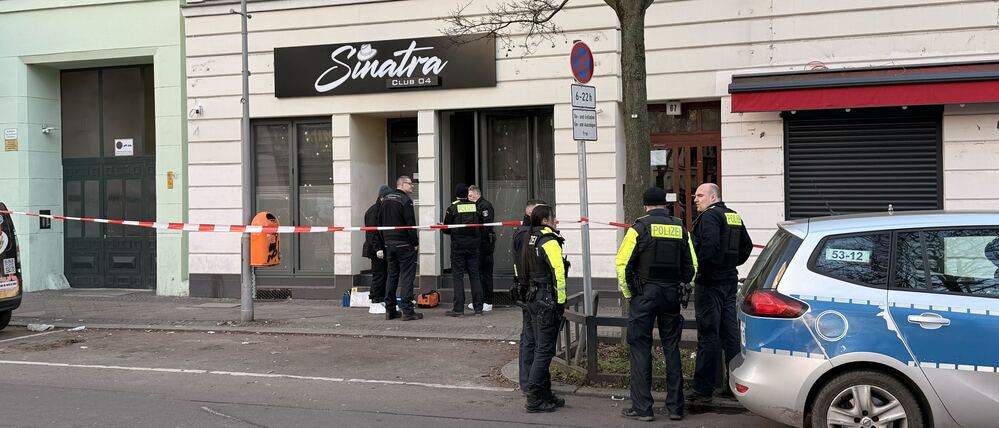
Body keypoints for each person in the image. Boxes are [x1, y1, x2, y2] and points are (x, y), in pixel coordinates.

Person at [616, 187, 698, 422]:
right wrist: (684, 286)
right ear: (666, 204)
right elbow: (692, 266)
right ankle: (675, 407)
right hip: (671, 295)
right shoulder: (680, 227)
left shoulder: (638, 227)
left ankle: (643, 408)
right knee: (671, 347)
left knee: (641, 347)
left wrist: (629, 293)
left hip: (644, 296)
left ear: (645, 206)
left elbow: (622, 265)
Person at [688, 183, 753, 402]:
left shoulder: (709, 217)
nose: (696, 199)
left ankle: (703, 390)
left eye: (700, 195)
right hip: (728, 280)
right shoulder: (733, 215)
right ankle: (734, 387)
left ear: (713, 197)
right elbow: (747, 247)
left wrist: (699, 271)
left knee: (708, 335)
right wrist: (729, 264)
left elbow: (710, 246)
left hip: (710, 283)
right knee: (730, 335)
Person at [517, 205, 567, 413]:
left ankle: (545, 393)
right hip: (546, 300)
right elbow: (559, 273)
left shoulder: (529, 238)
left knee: (538, 347)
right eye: (553, 217)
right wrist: (561, 302)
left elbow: (521, 269)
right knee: (545, 350)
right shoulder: (548, 240)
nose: (556, 220)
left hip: (531, 299)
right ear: (546, 220)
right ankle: (535, 398)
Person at [511, 199, 548, 398]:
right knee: (531, 339)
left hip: (526, 290)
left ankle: (530, 382)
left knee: (530, 338)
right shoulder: (527, 234)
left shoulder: (522, 232)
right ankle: (529, 384)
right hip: (531, 292)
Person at [380, 176, 423, 321]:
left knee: (392, 276)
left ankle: (390, 310)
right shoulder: (405, 200)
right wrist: (415, 242)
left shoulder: (385, 199)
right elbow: (410, 224)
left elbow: (380, 222)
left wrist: (385, 241)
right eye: (410, 184)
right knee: (407, 277)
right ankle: (408, 311)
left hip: (389, 244)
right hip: (404, 244)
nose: (412, 187)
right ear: (402, 184)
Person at [442, 183, 484, 317]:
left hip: (458, 247)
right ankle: (478, 308)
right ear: (467, 194)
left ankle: (458, 309)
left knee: (458, 277)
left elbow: (446, 229)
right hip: (474, 247)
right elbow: (482, 225)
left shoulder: (452, 208)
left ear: (456, 195)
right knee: (475, 276)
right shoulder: (476, 207)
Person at [363, 185, 393, 315]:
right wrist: (378, 249)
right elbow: (371, 233)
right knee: (378, 275)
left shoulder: (382, 209)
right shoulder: (374, 211)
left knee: (385, 275)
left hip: (383, 248)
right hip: (376, 250)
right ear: (381, 198)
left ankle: (381, 300)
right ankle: (374, 301)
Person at [468, 185, 496, 312]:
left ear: (476, 194)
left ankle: (487, 301)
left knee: (485, 273)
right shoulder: (474, 206)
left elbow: (487, 226)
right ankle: (480, 300)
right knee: (478, 273)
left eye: (470, 195)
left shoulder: (485, 206)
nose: (469, 198)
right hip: (477, 244)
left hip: (485, 244)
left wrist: (478, 237)